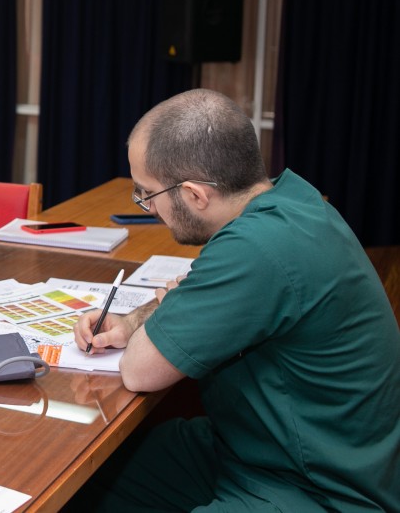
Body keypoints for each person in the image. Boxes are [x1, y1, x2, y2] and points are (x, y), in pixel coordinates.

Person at [69, 89, 400, 511]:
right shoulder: (293, 202)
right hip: (259, 447)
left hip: (319, 487)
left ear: (193, 195)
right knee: (94, 477)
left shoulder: (254, 248)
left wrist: (171, 307)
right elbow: (195, 290)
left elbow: (138, 371)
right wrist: (133, 322)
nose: (148, 208)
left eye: (147, 194)